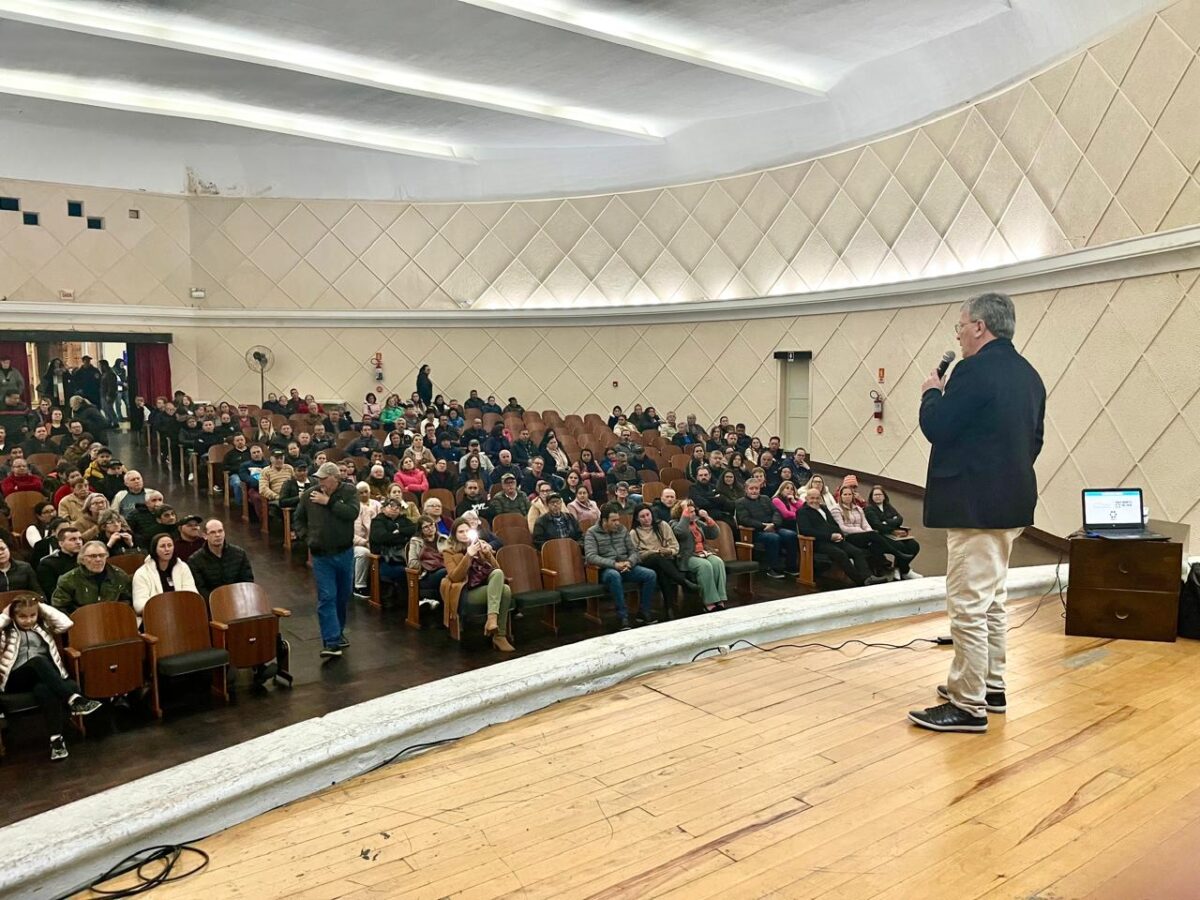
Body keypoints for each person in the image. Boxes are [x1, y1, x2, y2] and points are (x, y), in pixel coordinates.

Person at [910, 291, 1045, 734]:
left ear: (980, 327)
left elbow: (939, 426)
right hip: (1011, 502)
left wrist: (931, 394)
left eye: (961, 326)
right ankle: (992, 685)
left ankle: (967, 706)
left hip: (974, 506)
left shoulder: (971, 371)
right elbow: (1034, 442)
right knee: (992, 600)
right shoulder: (1029, 375)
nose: (959, 334)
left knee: (967, 604)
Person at [0, 595, 103, 760]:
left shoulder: (42, 627)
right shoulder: (7, 631)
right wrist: (5, 616)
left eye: (32, 615)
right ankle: (73, 699)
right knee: (37, 661)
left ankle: (56, 741)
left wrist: (40, 607)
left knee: (45, 689)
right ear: (14, 616)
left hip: (44, 677)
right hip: (16, 678)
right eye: (22, 616)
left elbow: (66, 623)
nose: (28, 620)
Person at [294, 462, 359, 658]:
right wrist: (307, 537)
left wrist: (329, 502)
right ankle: (331, 642)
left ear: (335, 478)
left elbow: (351, 513)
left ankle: (338, 633)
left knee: (343, 594)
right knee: (327, 596)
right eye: (319, 479)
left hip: (344, 553)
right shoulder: (309, 495)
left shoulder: (349, 492)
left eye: (323, 479)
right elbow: (298, 519)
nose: (320, 482)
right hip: (321, 555)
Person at [442, 517, 515, 652]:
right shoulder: (449, 551)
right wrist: (468, 556)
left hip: (485, 586)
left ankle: (494, 626)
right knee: (504, 591)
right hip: (466, 592)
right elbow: (455, 577)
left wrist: (488, 555)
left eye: (467, 531)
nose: (464, 534)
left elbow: (498, 572)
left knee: (504, 586)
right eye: (460, 532)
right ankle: (498, 634)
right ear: (454, 535)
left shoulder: (478, 545)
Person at [583, 504, 658, 630]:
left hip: (626, 566)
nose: (617, 523)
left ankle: (644, 611)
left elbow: (633, 551)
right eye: (613, 520)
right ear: (604, 521)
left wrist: (629, 562)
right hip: (606, 569)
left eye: (618, 520)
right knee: (614, 575)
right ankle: (622, 616)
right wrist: (614, 564)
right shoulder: (592, 533)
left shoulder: (622, 530)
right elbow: (591, 557)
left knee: (650, 574)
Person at [795, 487, 887, 588]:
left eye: (817, 498)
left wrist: (839, 534)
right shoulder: (802, 512)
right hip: (817, 542)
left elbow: (834, 524)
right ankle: (860, 581)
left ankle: (868, 577)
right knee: (841, 554)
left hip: (835, 540)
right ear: (807, 498)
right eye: (812, 498)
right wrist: (830, 536)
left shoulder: (824, 508)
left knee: (857, 551)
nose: (815, 501)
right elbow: (806, 530)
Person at [629, 504, 690, 617]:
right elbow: (636, 555)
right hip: (647, 562)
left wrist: (669, 551)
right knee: (657, 559)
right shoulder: (634, 533)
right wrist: (654, 552)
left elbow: (675, 547)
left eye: (648, 515)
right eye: (642, 516)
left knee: (662, 571)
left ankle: (669, 609)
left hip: (665, 560)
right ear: (637, 518)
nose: (647, 518)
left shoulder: (663, 525)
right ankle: (682, 581)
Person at [672, 499, 728, 612]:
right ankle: (709, 601)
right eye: (689, 511)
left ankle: (720, 599)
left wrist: (707, 518)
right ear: (681, 513)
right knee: (705, 566)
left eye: (693, 511)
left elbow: (714, 534)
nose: (692, 514)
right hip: (687, 556)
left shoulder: (697, 523)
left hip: (703, 553)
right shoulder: (674, 523)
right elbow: (681, 533)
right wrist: (685, 516)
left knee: (718, 562)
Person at [734, 479, 795, 579]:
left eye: (756, 488)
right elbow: (745, 520)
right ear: (746, 489)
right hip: (755, 531)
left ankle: (790, 567)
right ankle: (773, 568)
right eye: (751, 489)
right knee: (773, 538)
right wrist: (763, 526)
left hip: (773, 526)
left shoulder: (765, 498)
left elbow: (776, 512)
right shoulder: (740, 502)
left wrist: (774, 524)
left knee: (790, 535)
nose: (754, 491)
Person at [51, 541, 134, 613]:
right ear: (82, 559)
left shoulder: (119, 575)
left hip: (113, 619)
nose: (98, 559)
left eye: (102, 555)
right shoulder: (68, 580)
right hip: (82, 623)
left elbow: (127, 600)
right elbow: (59, 607)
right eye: (93, 556)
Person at [132, 533, 198, 617]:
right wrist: (163, 608)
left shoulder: (182, 567)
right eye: (162, 546)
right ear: (154, 549)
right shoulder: (142, 573)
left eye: (170, 545)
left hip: (182, 613)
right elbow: (139, 605)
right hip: (156, 616)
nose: (167, 549)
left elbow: (192, 594)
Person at [864, 486, 922, 578]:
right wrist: (891, 522)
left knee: (914, 545)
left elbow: (899, 519)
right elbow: (878, 526)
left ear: (884, 496)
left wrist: (886, 522)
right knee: (900, 546)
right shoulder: (869, 509)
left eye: (879, 494)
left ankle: (901, 569)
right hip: (879, 537)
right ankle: (904, 570)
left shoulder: (888, 506)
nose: (877, 497)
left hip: (893, 534)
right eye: (875, 495)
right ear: (871, 497)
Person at [188, 519, 255, 599]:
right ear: (205, 536)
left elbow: (247, 581)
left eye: (220, 531)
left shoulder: (239, 554)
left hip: (238, 600)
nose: (217, 535)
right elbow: (200, 589)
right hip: (212, 604)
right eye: (213, 532)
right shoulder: (195, 560)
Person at [352, 482, 380, 597]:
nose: (364, 494)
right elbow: (350, 534)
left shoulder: (375, 506)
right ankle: (359, 586)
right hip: (355, 544)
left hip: (373, 540)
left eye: (366, 492)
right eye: (361, 493)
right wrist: (365, 542)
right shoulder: (353, 509)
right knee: (364, 553)